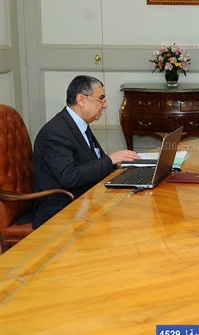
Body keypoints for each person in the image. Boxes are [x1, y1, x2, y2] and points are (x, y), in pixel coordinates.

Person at [22, 75, 140, 228]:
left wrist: (117, 163)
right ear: (81, 100)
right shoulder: (55, 132)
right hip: (62, 211)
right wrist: (110, 160)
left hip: (86, 200)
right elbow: (69, 177)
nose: (105, 105)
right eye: (101, 99)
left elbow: (93, 162)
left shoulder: (79, 125)